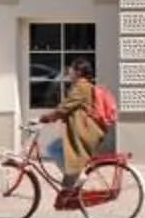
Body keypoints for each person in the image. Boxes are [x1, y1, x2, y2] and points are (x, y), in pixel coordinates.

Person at [48, 57, 111, 192]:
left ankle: (76, 175)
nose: (68, 71)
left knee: (53, 148)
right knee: (58, 148)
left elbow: (65, 107)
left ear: (78, 72)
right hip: (85, 131)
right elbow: (71, 107)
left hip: (85, 132)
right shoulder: (83, 86)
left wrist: (47, 117)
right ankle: (73, 176)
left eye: (71, 69)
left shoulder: (81, 87)